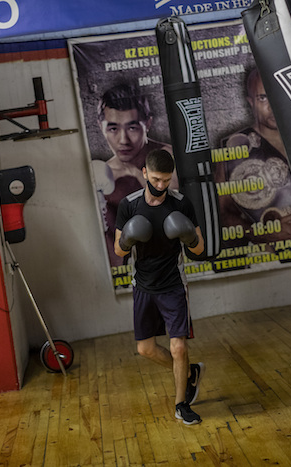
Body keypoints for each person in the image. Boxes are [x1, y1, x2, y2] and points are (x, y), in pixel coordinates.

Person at [114, 149, 206, 425]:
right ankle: (189, 373)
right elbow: (119, 252)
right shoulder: (128, 205)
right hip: (143, 285)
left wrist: (188, 236)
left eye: (166, 180)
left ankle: (181, 405)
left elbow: (199, 248)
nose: (161, 185)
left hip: (173, 284)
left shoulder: (181, 204)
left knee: (178, 347)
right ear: (144, 173)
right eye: (156, 179)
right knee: (145, 349)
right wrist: (129, 238)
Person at [215, 68, 291, 248]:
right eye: (263, 98)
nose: (272, 105)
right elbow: (222, 213)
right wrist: (262, 233)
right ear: (251, 102)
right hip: (274, 257)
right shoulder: (236, 147)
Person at [95, 83, 177, 268]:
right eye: (113, 129)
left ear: (147, 123)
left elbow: (175, 213)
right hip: (136, 271)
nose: (123, 140)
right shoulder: (105, 177)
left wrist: (135, 174)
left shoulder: (167, 157)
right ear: (101, 126)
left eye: (132, 128)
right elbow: (112, 254)